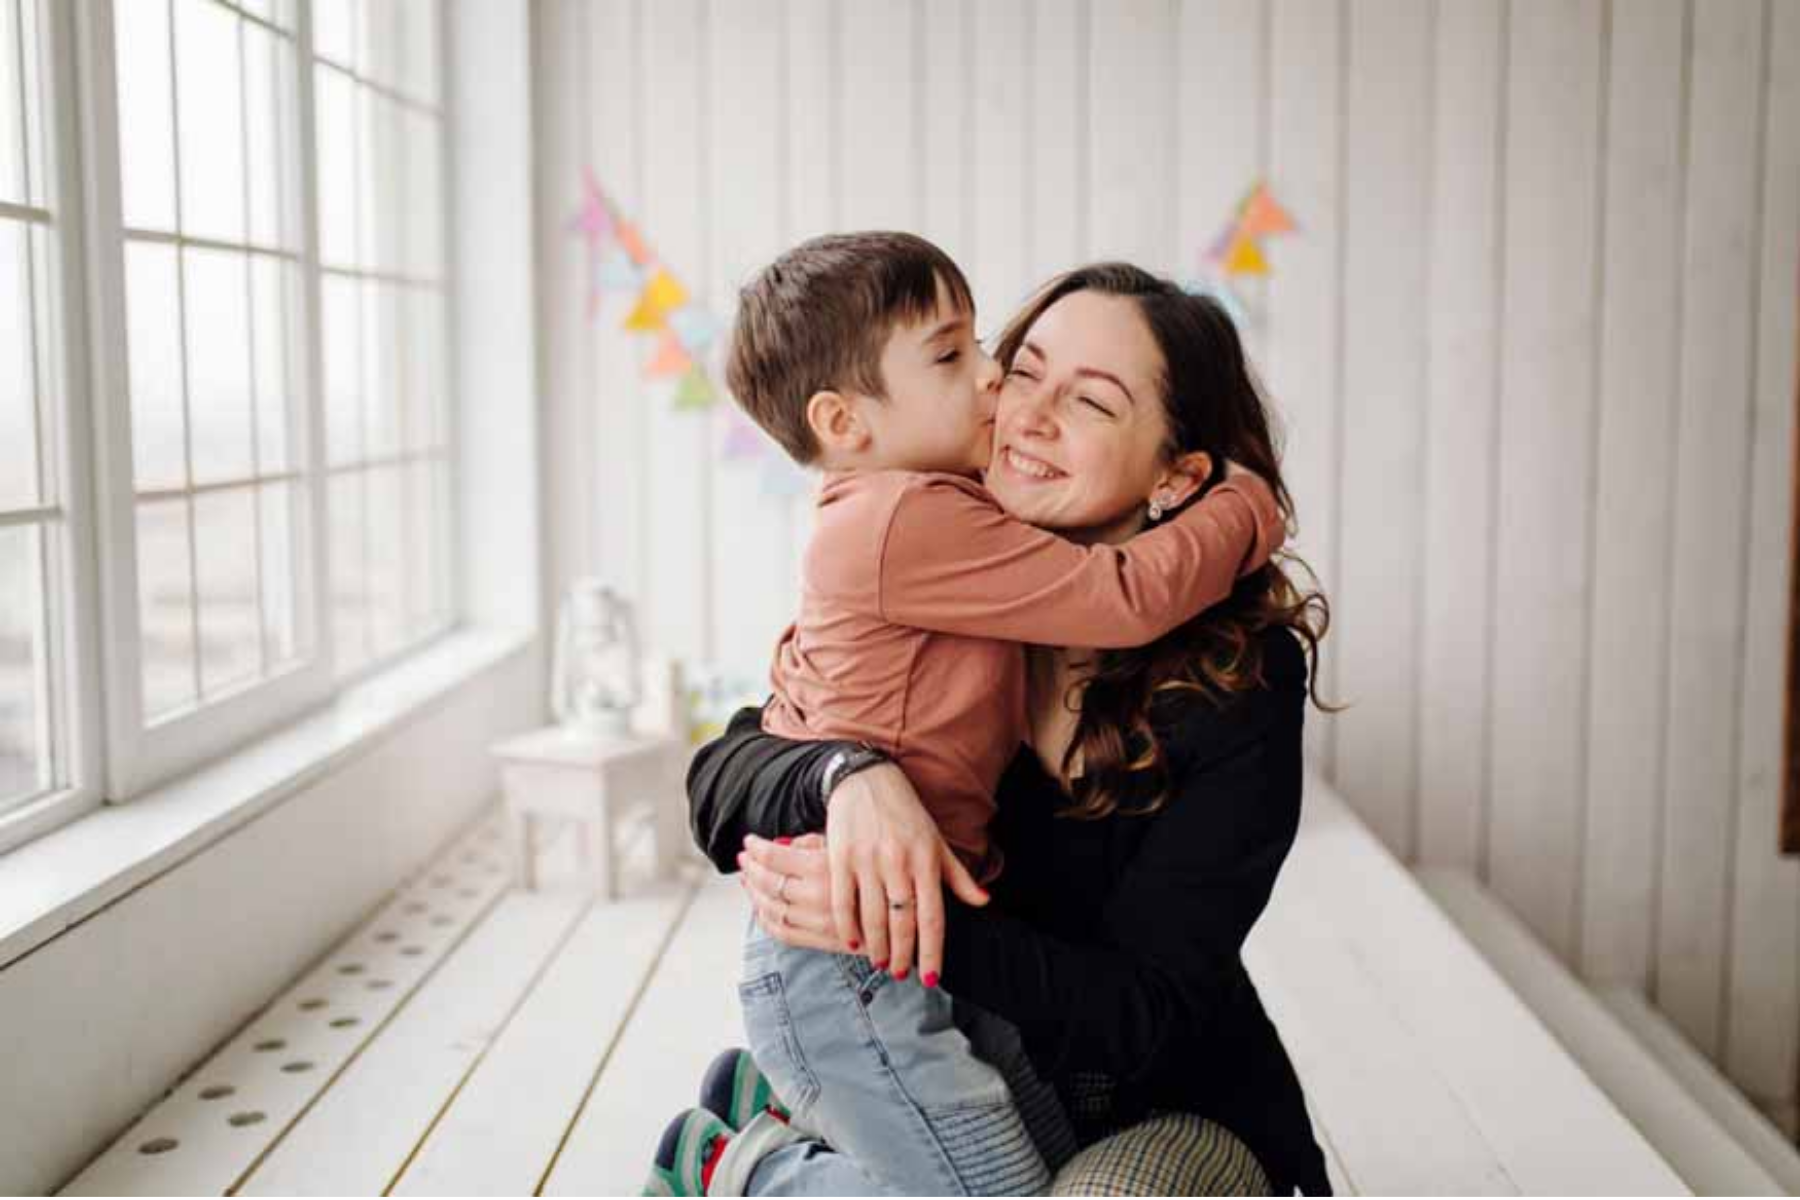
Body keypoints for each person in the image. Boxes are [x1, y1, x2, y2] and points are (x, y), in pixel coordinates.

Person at [643, 234, 1284, 1197]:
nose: (1011, 400)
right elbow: (734, 762)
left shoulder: (1238, 684)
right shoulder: (925, 534)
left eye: (1092, 399)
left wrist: (910, 918)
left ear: (1175, 477)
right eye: (1018, 369)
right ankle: (753, 1171)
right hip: (880, 986)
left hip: (1149, 1091)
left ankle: (766, 1155)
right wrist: (846, 778)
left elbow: (1150, 1006)